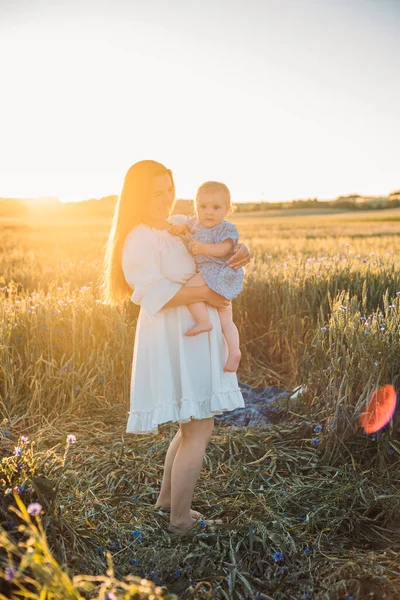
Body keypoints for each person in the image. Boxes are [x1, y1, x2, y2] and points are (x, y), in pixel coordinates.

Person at [101, 160, 251, 535]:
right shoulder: (137, 238)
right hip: (177, 335)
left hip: (193, 333)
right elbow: (154, 294)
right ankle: (181, 522)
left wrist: (241, 249)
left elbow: (216, 238)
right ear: (138, 197)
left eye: (170, 189)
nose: (167, 199)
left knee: (191, 425)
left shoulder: (175, 226)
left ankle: (168, 503)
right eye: (157, 193)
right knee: (199, 428)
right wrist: (215, 292)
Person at [168, 180, 244, 373]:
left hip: (217, 270)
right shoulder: (196, 222)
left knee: (190, 289)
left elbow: (225, 248)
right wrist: (179, 229)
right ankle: (234, 352)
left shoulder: (225, 228)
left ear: (227, 211)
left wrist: (204, 249)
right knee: (226, 319)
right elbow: (185, 227)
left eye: (216, 207)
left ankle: (204, 321)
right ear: (196, 206)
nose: (208, 212)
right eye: (203, 206)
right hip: (218, 275)